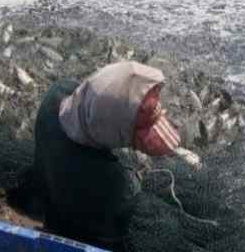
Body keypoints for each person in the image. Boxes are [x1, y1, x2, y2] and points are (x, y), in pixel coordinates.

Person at [33, 61, 182, 250]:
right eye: (135, 138)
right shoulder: (114, 184)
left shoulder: (56, 97)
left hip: (53, 204)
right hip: (89, 234)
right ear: (114, 131)